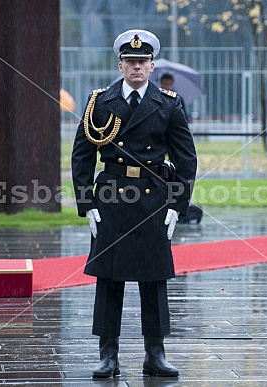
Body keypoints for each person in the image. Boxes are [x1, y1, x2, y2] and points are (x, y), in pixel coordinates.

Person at [71, 29, 197, 378]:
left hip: (152, 198)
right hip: (111, 197)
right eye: (130, 61)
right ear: (120, 64)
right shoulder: (99, 102)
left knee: (154, 279)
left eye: (142, 61)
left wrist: (177, 205)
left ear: (152, 65)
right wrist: (87, 203)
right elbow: (82, 156)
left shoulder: (168, 103)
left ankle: (155, 354)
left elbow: (186, 159)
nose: (136, 67)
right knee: (109, 279)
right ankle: (107, 355)